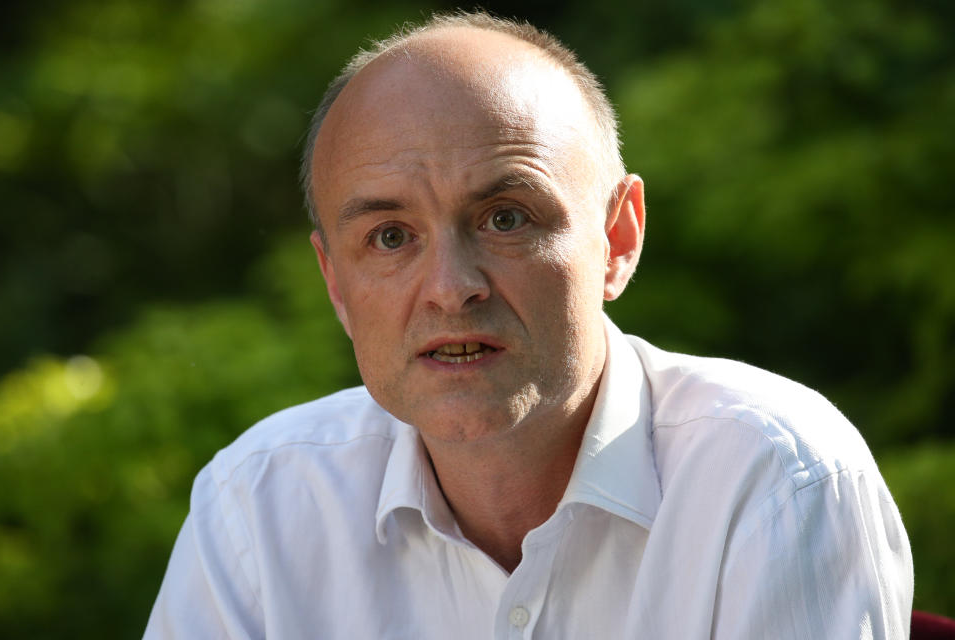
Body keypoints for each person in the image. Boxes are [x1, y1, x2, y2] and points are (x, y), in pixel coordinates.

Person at [144, 12, 913, 639]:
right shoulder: (257, 507)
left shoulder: (774, 479)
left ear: (618, 239)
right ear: (336, 285)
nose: (451, 289)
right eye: (389, 237)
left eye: (505, 218)